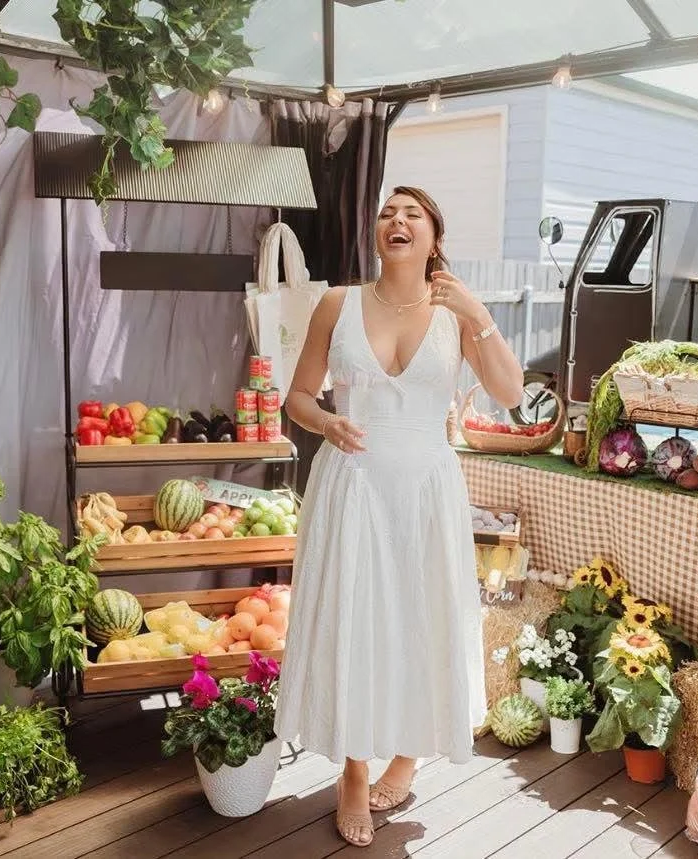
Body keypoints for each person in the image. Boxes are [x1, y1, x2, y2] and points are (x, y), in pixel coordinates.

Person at [274, 187, 524, 847]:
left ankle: (407, 757)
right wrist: (325, 419)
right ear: (377, 233)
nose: (397, 220)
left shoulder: (454, 313)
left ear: (434, 236)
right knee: (357, 624)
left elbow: (511, 390)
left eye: (412, 213)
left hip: (427, 491)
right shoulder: (338, 303)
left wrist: (479, 314)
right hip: (353, 488)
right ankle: (353, 772)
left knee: (422, 622)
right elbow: (297, 394)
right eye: (387, 212)